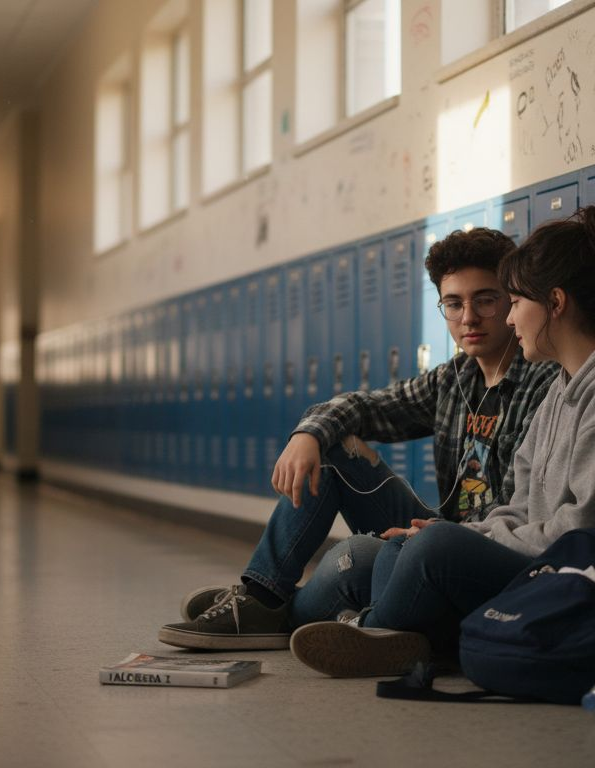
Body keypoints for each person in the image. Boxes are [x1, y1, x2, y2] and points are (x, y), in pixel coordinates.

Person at [289, 199, 595, 677]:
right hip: (560, 570)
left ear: (555, 303)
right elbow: (520, 505)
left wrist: (459, 539)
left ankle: (376, 633)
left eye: (516, 302)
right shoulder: (562, 389)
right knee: (406, 547)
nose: (508, 319)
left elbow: (589, 535)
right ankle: (392, 637)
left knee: (430, 550)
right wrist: (469, 533)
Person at [157, 228, 559, 650]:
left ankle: (268, 606)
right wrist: (307, 434)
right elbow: (365, 407)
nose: (468, 318)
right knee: (331, 450)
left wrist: (428, 537)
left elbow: (523, 513)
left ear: (512, 301)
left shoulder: (542, 383)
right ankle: (262, 596)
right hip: (436, 534)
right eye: (454, 304)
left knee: (357, 560)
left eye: (486, 299)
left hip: (478, 552)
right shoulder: (453, 379)